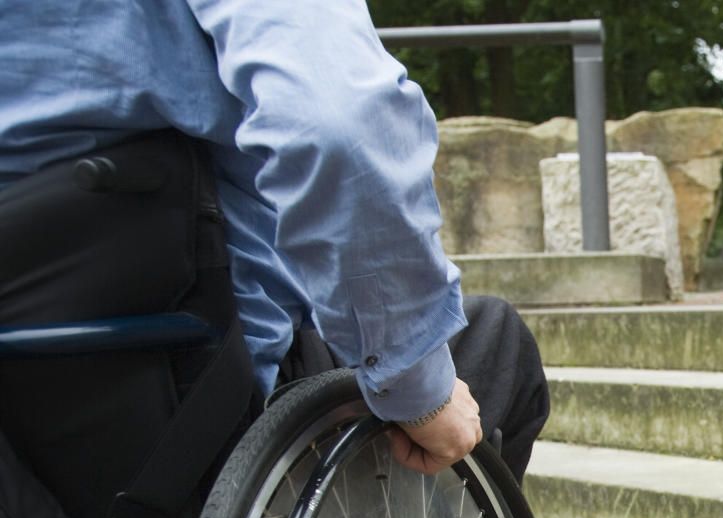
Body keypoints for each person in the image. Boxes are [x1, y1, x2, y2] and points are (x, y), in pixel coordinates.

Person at [0, 0, 548, 480]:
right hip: (198, 403)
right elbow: (338, 127)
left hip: (26, 442)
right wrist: (418, 390)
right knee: (495, 345)